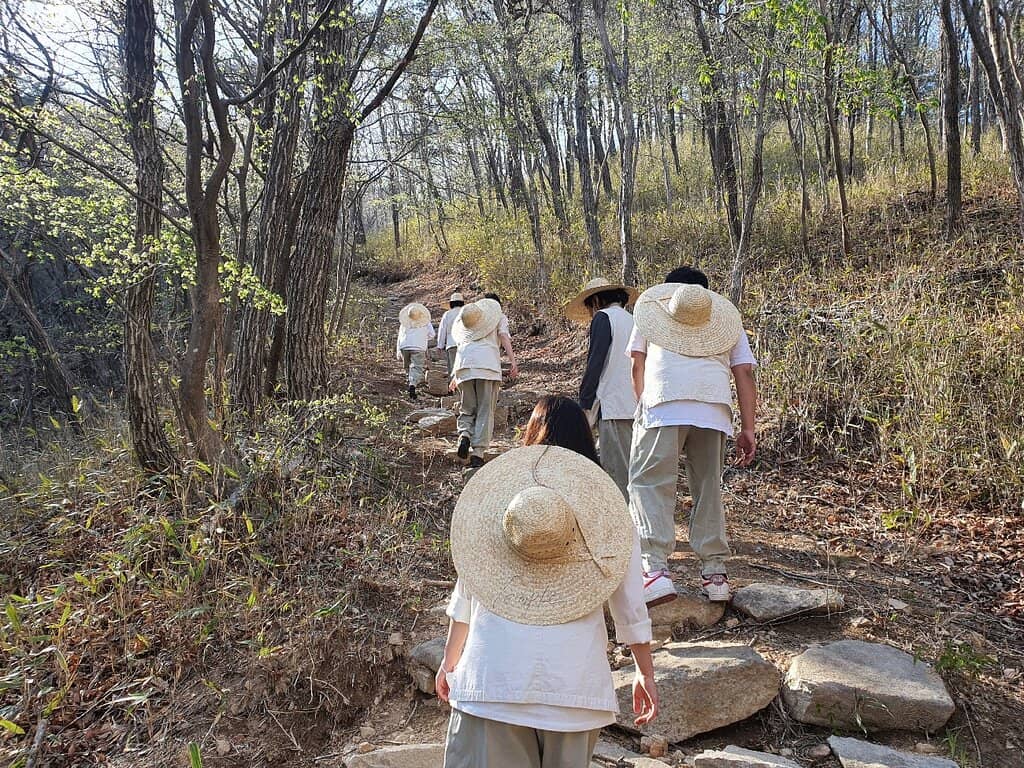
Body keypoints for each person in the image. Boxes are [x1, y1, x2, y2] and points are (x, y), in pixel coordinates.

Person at [436, 442, 658, 768]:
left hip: (492, 683)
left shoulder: (503, 509)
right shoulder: (610, 517)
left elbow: (468, 593)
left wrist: (450, 658)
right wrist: (645, 672)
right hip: (574, 689)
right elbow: (630, 607)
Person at [627, 266, 757, 606]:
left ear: (668, 294)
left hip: (663, 401)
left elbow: (636, 366)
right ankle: (715, 574)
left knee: (651, 483)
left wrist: (642, 404)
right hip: (713, 407)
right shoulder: (725, 319)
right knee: (707, 486)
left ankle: (654, 570)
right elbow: (744, 372)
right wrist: (748, 427)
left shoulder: (652, 311)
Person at [564, 278, 640, 500]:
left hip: (613, 404)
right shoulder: (634, 320)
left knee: (618, 474)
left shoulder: (603, 318)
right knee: (635, 470)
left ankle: (623, 528)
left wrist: (585, 401)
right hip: (638, 404)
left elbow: (595, 363)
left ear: (596, 300)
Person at [451, 297, 518, 468]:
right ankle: (478, 453)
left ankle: (464, 434)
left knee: (467, 407)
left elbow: (461, 347)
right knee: (485, 409)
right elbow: (503, 336)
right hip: (487, 367)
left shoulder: (468, 323)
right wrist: (512, 361)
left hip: (463, 366)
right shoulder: (500, 317)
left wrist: (454, 375)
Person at [396, 302, 435, 400]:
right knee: (417, 367)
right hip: (418, 347)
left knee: (407, 366)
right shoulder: (426, 322)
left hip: (404, 346)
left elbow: (399, 337)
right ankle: (412, 385)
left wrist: (398, 350)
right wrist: (423, 338)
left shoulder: (404, 323)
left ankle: (409, 381)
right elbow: (432, 334)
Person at [436, 292, 466, 377]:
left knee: (452, 368)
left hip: (451, 344)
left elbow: (442, 330)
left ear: (451, 303)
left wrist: (440, 345)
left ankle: (452, 388)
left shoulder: (447, 314)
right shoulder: (466, 313)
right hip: (465, 344)